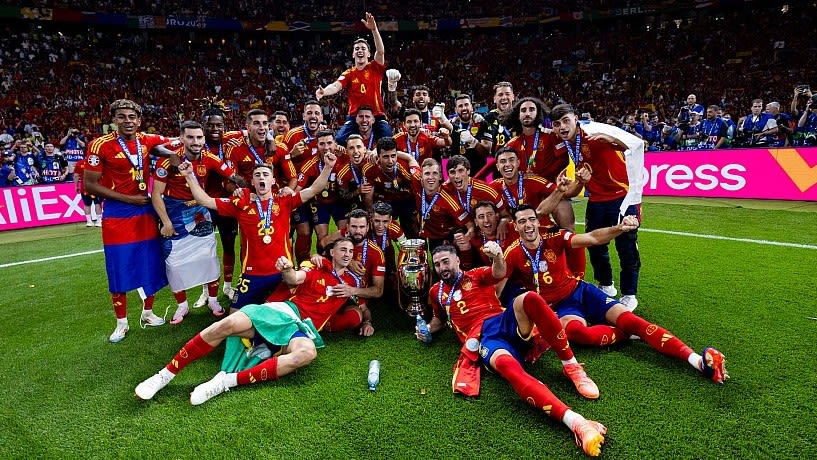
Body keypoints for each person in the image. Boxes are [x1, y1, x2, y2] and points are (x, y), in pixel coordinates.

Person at [502, 205, 728, 385]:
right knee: (581, 335)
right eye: (522, 221)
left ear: (537, 220)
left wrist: (619, 228)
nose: (529, 225)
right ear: (515, 225)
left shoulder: (556, 238)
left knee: (633, 321)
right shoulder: (511, 254)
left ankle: (698, 361)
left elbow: (592, 238)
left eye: (531, 219)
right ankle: (627, 334)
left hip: (581, 292)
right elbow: (498, 285)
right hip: (560, 309)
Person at [419, 244, 607, 457]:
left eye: (446, 261)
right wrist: (427, 330)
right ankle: (577, 423)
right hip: (484, 339)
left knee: (530, 298)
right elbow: (438, 320)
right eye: (437, 264)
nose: (442, 267)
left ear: (457, 261)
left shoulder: (476, 274)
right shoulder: (436, 291)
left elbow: (498, 272)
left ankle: (571, 366)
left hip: (501, 320)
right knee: (508, 367)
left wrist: (498, 255)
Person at [135, 238, 366, 405]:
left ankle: (226, 382)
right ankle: (164, 375)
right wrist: (286, 269)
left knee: (307, 353)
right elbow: (294, 278)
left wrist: (365, 316)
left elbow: (366, 302)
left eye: (350, 251)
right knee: (225, 325)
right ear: (332, 253)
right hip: (283, 311)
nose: (347, 254)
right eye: (342, 249)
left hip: (301, 328)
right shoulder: (316, 267)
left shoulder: (350, 283)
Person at [179, 151, 337, 311]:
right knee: (234, 316)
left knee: (285, 314)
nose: (262, 178)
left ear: (273, 180)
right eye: (258, 175)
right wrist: (189, 176)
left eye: (265, 175)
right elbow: (205, 200)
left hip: (281, 272)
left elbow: (314, 189)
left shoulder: (284, 201)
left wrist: (328, 167)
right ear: (252, 181)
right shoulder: (240, 203)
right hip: (251, 274)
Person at [84, 99, 178, 343]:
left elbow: (177, 142)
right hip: (117, 212)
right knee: (119, 267)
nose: (128, 121)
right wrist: (128, 199)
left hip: (144, 211)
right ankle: (121, 323)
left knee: (150, 263)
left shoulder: (146, 140)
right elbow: (90, 184)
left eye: (132, 117)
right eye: (122, 116)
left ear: (139, 120)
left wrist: (171, 153)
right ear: (114, 120)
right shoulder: (99, 145)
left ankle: (147, 313)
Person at [550, 103, 645, 310]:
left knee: (626, 247)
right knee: (595, 245)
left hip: (622, 196)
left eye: (566, 121)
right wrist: (580, 182)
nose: (562, 127)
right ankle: (606, 286)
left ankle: (629, 295)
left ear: (576, 118)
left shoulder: (595, 132)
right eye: (557, 124)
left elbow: (637, 144)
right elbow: (576, 188)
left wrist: (612, 140)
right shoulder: (567, 144)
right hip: (596, 199)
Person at [151, 121, 235, 324]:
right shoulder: (169, 161)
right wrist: (166, 222)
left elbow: (233, 176)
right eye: (190, 137)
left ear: (204, 139)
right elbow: (156, 194)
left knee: (208, 258)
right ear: (181, 138)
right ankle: (182, 306)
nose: (195, 141)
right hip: (175, 214)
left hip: (200, 211)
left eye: (199, 137)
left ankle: (213, 300)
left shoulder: (210, 158)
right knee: (175, 263)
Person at [316, 13, 392, 145]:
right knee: (339, 140)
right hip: (355, 116)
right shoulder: (349, 73)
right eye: (357, 49)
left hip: (377, 114)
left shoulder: (375, 67)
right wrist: (324, 92)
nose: (360, 51)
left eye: (363, 48)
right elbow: (336, 85)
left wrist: (374, 29)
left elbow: (380, 51)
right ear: (353, 54)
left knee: (388, 141)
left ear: (368, 54)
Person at [199, 100, 245, 300]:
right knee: (204, 248)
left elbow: (253, 131)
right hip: (204, 203)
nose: (215, 129)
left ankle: (227, 285)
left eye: (219, 125)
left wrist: (270, 139)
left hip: (227, 203)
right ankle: (204, 290)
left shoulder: (231, 140)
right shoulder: (196, 143)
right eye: (210, 125)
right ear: (203, 126)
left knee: (228, 243)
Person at [297, 130, 349, 247]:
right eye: (322, 144)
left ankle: (341, 261)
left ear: (336, 144)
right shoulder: (310, 163)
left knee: (346, 234)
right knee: (321, 238)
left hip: (340, 201)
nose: (326, 147)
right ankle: (323, 262)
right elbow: (297, 189)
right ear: (317, 145)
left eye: (329, 143)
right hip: (319, 203)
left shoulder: (345, 156)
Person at [412, 158, 475, 250]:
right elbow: (410, 160)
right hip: (423, 230)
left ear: (440, 177)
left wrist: (466, 238)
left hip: (442, 235)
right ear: (420, 176)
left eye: (435, 173)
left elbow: (470, 225)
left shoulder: (449, 200)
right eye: (427, 173)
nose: (430, 177)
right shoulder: (416, 180)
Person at [72, 156, 102, 227]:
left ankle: (89, 222)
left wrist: (76, 186)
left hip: (85, 186)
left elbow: (76, 175)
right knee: (97, 203)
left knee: (87, 204)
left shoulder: (80, 163)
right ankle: (99, 221)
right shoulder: (99, 162)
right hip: (96, 186)